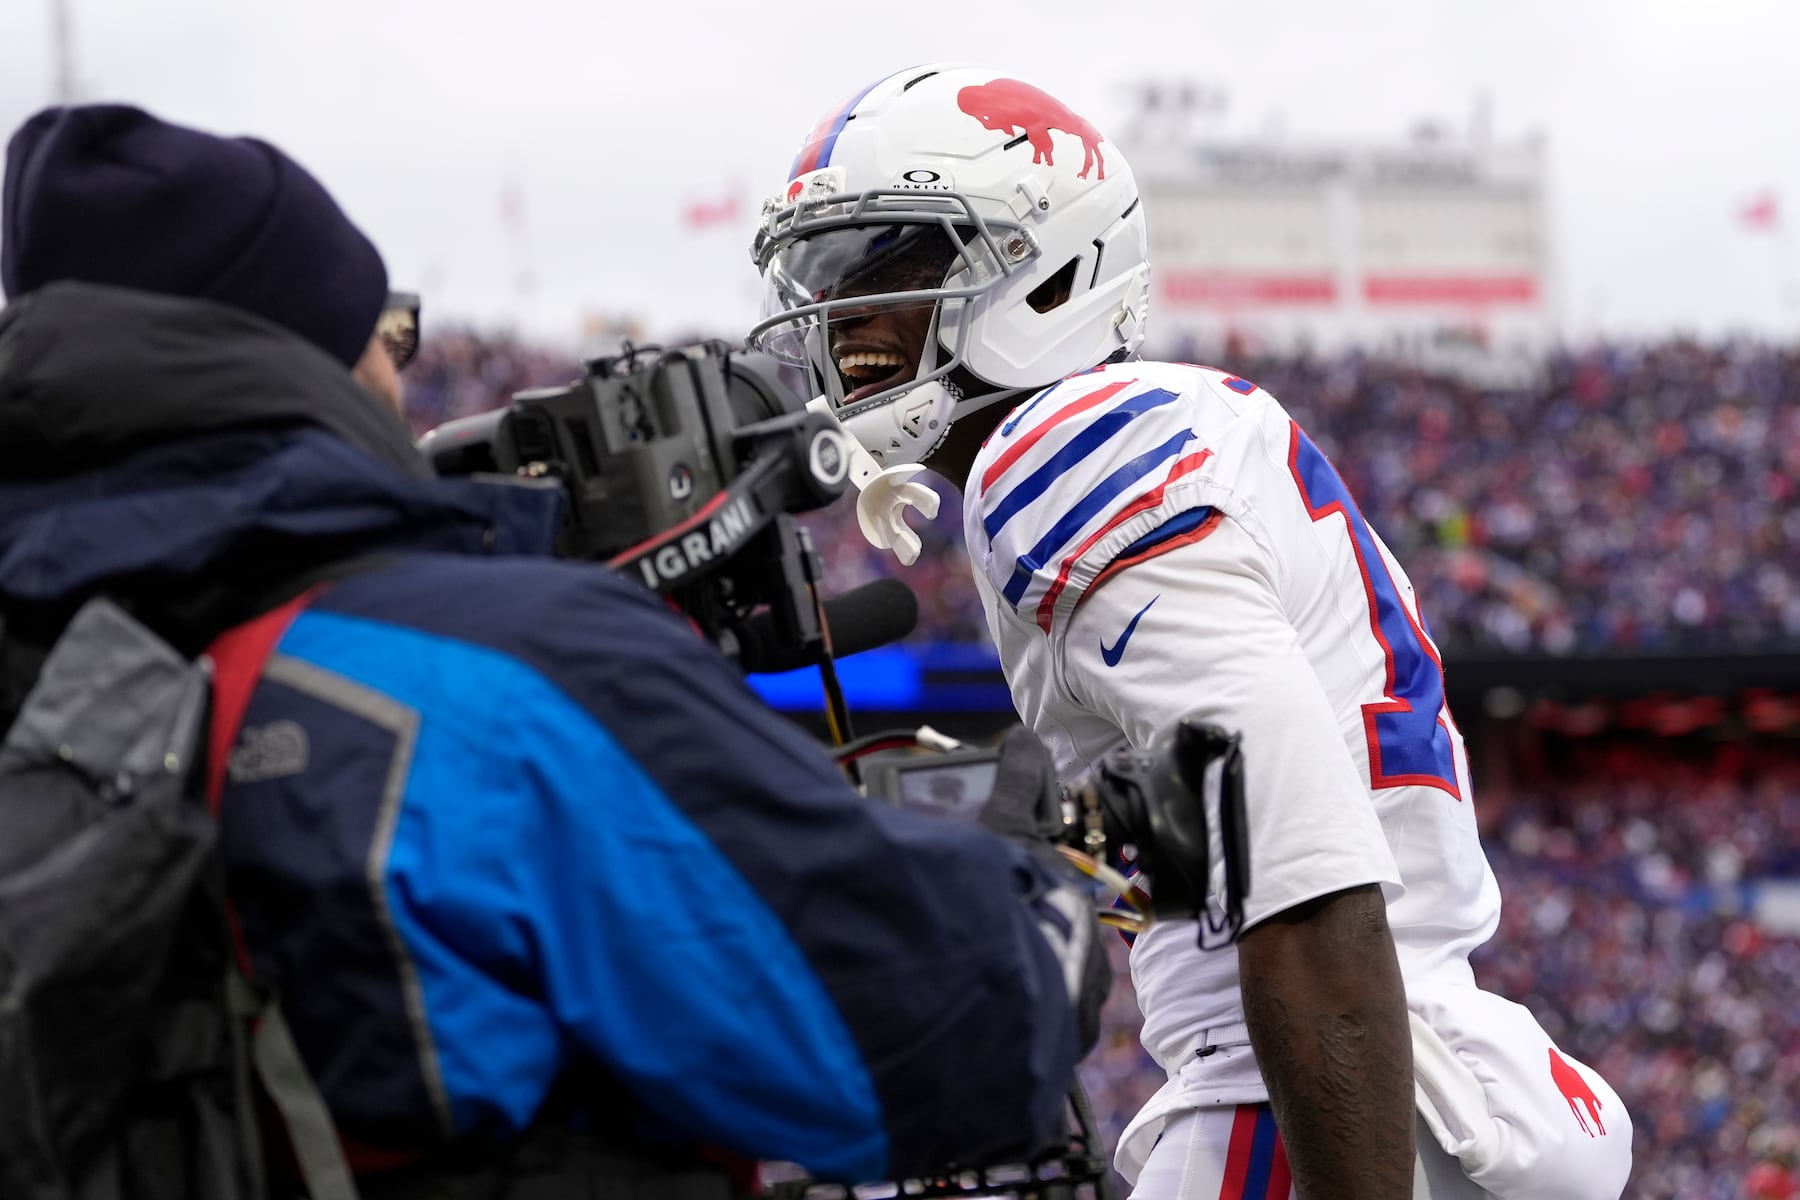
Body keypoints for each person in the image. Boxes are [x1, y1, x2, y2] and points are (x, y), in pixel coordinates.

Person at [0, 103, 1109, 1197]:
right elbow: (943, 1035)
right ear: (314, 364)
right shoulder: (491, 678)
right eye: (390, 333)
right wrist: (1036, 882)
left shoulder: (55, 671)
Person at [749, 64, 1635, 1200]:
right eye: (823, 273)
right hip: (1397, 1075)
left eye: (891, 261)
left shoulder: (1061, 451)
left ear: (1045, 264)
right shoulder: (1157, 434)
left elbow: (1302, 873)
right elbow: (1230, 829)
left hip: (1311, 1096)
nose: (844, 314)